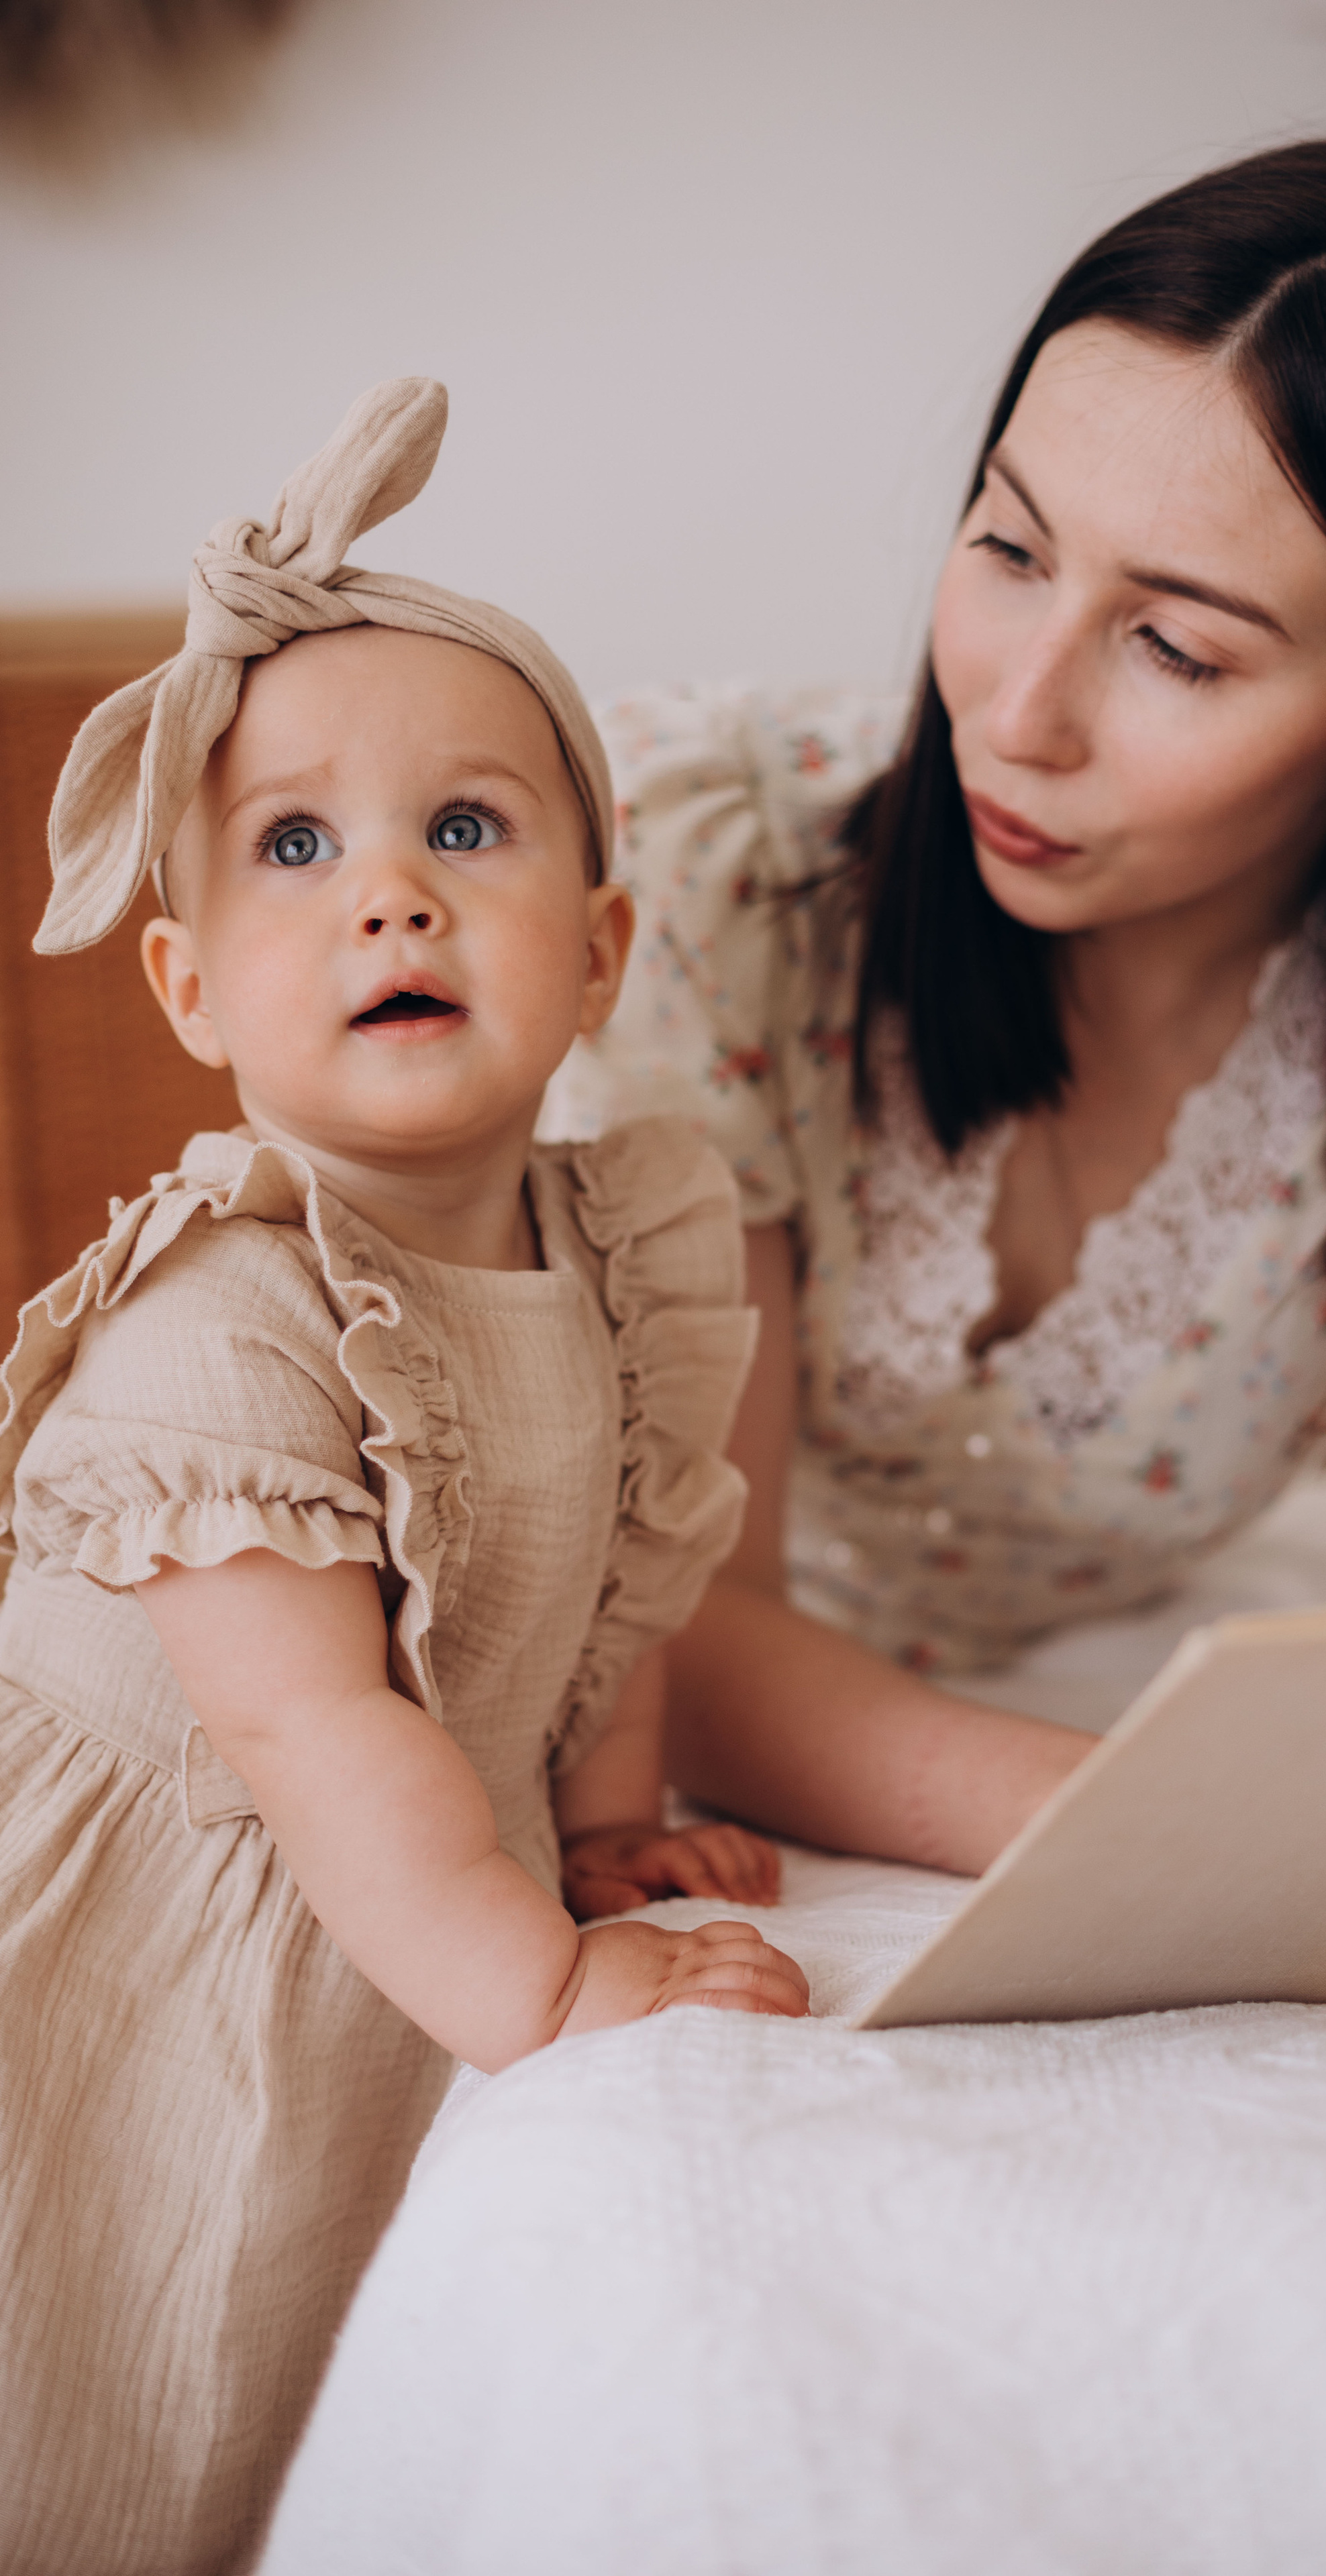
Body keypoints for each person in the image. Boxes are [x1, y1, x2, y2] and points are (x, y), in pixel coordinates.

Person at [545, 136, 1326, 1864]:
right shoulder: (720, 886)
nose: (1015, 714)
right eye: (1011, 547)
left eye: (1178, 649)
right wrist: (1182, 1832)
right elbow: (678, 1639)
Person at [0, 378, 807, 2576]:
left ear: (604, 950)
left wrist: (614, 1815)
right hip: (155, 1923)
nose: (391, 903)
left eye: (466, 832)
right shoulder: (225, 1323)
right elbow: (311, 1722)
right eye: (295, 849)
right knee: (133, 2344)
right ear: (187, 987)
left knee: (332, 2372)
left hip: (402, 1891)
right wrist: (542, 1992)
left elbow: (612, 1572)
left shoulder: (618, 1243)